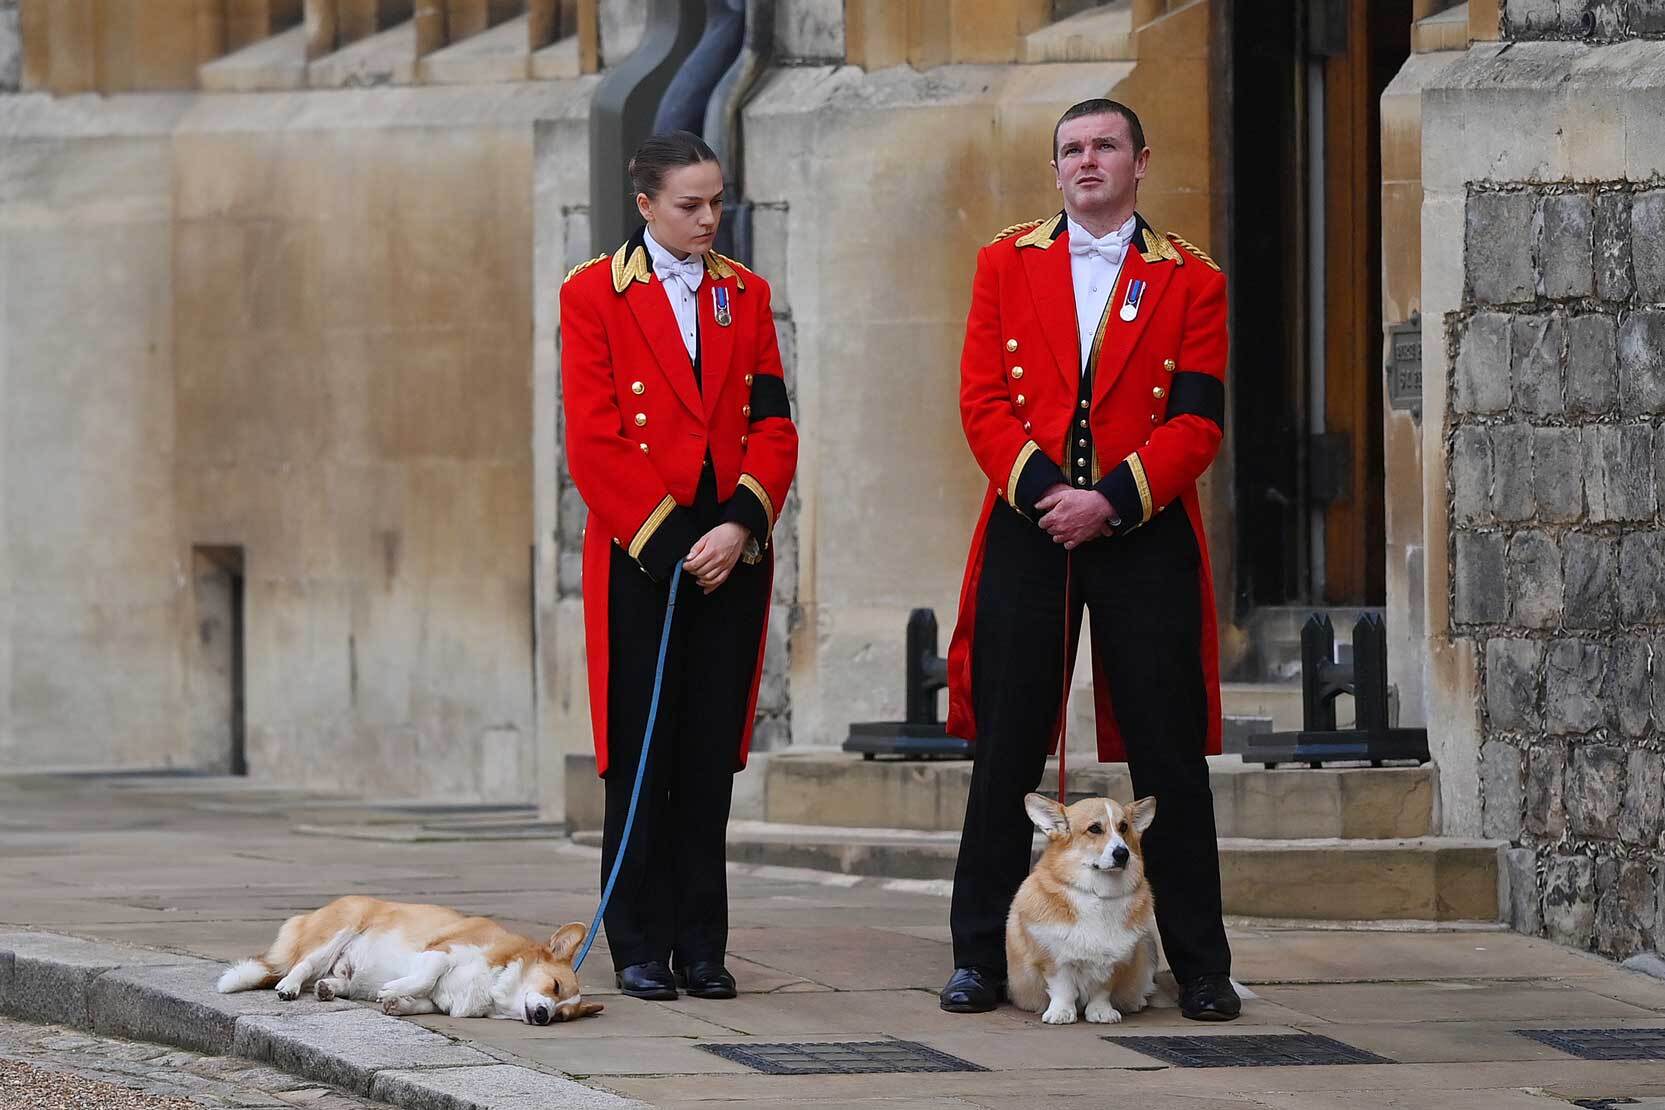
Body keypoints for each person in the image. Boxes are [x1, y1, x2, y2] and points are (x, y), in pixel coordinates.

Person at [938, 99, 1238, 1022]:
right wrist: (1047, 497)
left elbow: (1197, 420)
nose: (1087, 160)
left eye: (1105, 145)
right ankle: (980, 961)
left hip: (1140, 528)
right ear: (1056, 166)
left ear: (1140, 162)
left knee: (1167, 760)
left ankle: (1200, 963)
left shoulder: (1190, 276)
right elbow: (981, 398)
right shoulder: (1004, 261)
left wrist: (1108, 499)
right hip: (1029, 525)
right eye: (1071, 148)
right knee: (1007, 750)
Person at [559, 131, 797, 1002]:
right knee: (641, 750)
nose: (708, 218)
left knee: (706, 756)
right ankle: (636, 943)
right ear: (646, 204)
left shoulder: (745, 293)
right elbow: (592, 439)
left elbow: (773, 421)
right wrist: (669, 545)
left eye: (716, 201)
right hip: (643, 548)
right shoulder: (593, 294)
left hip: (729, 545)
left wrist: (739, 523)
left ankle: (702, 944)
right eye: (690, 204)